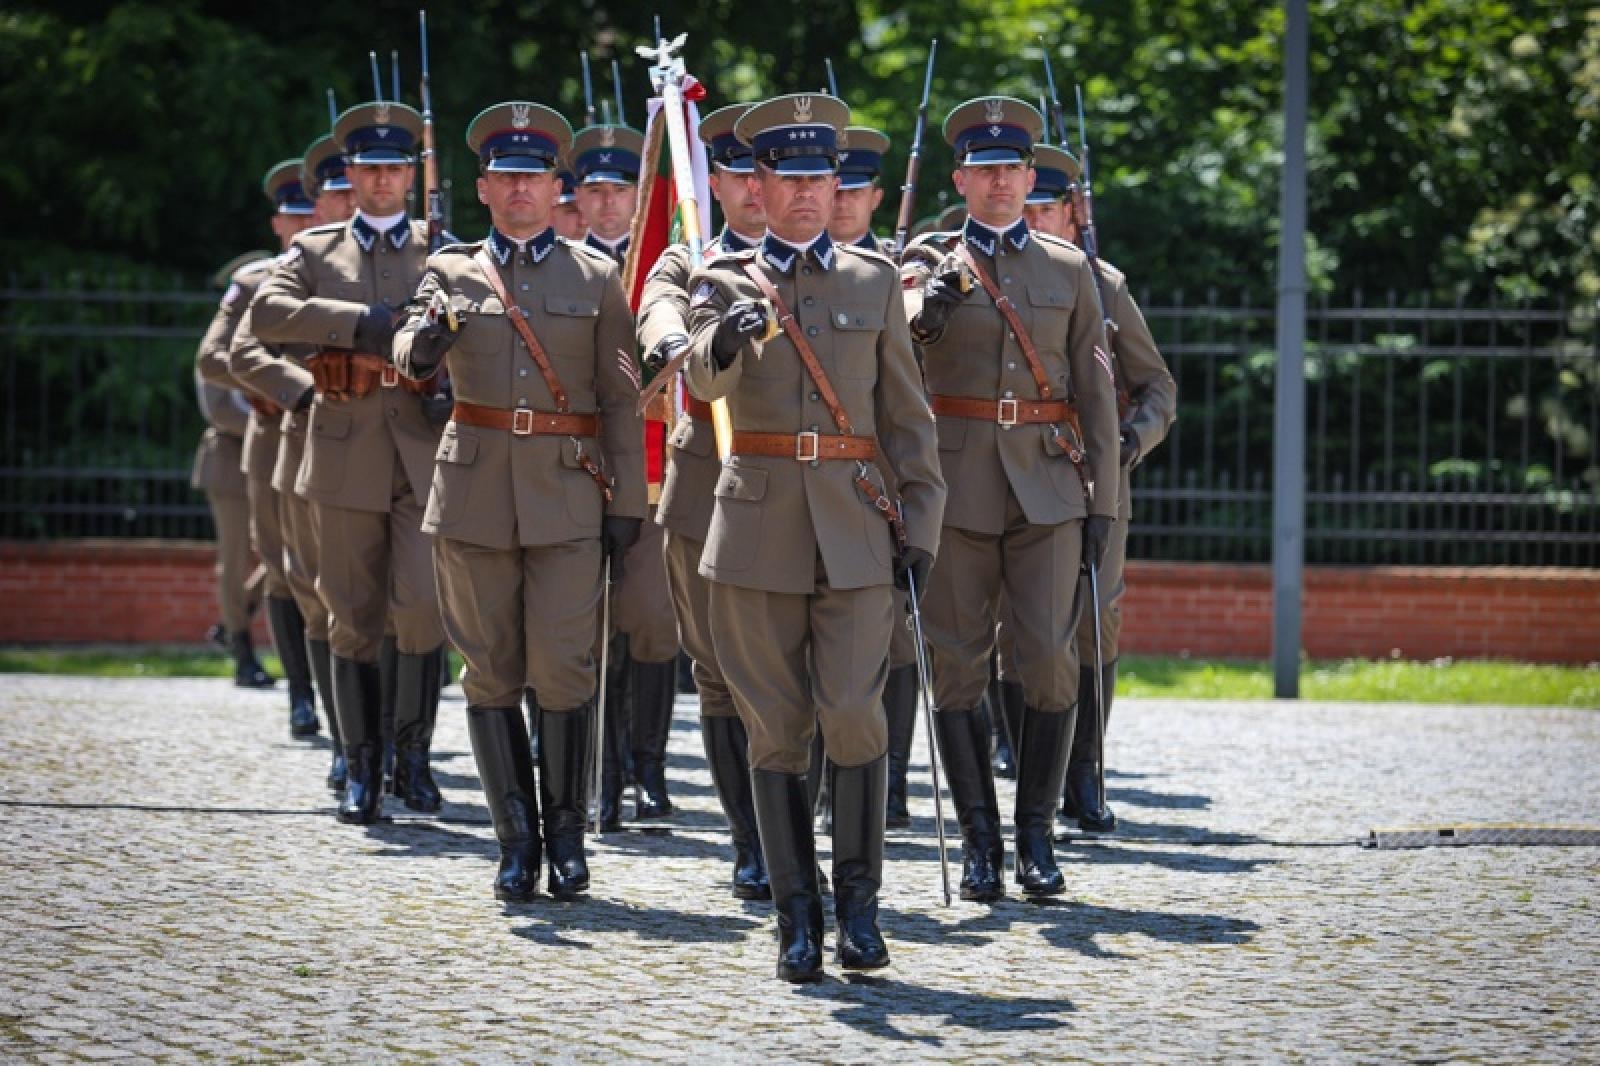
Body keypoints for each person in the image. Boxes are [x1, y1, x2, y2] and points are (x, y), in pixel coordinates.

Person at [684, 93, 945, 981]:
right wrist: (729, 334)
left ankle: (862, 911)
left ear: (836, 186)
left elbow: (906, 416)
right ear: (756, 185)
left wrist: (925, 517)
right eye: (785, 178)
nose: (803, 194)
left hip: (857, 527)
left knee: (853, 716)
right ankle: (798, 917)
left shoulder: (874, 282)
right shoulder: (719, 277)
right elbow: (699, 383)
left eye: (817, 178)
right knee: (777, 728)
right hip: (756, 529)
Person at [392, 100, 646, 901]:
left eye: (535, 177)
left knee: (566, 671)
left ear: (556, 186)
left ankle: (567, 839)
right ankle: (514, 841)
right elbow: (406, 350)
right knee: (490, 671)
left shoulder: (596, 276)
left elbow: (620, 398)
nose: (521, 191)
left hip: (569, 495)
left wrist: (627, 501)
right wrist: (425, 341)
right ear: (484, 188)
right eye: (506, 177)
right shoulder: (451, 270)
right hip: (473, 495)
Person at [900, 97, 1118, 901]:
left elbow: (1098, 395)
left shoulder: (1069, 272)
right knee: (956, 666)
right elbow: (902, 345)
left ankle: (1037, 837)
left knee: (1051, 662)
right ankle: (980, 840)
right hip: (956, 490)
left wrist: (1105, 504)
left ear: (1032, 177)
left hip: (1049, 488)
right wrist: (936, 303)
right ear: (959, 179)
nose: (998, 182)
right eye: (983, 169)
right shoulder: (926, 263)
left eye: (1012, 169)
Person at [248, 99, 448, 824]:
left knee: (423, 608)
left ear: (412, 174)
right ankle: (361, 765)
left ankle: (412, 757)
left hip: (426, 451)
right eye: (371, 168)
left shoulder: (445, 247)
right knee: (352, 615)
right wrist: (355, 323)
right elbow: (266, 318)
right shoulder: (315, 250)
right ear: (353, 174)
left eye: (397, 167)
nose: (384, 179)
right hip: (343, 451)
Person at [634, 101, 771, 898]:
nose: (754, 189)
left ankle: (795, 821)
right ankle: (748, 840)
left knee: (796, 673)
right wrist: (676, 340)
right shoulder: (688, 263)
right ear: (713, 181)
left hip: (800, 491)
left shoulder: (832, 265)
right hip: (703, 489)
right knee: (716, 672)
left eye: (768, 174)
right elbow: (659, 312)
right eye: (737, 174)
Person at [1024, 143, 1177, 833]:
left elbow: (1157, 388)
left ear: (1069, 213)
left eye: (1045, 209)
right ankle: (1028, 764)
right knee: (1017, 629)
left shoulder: (1104, 284)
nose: (1032, 218)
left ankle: (1084, 773)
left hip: (1094, 476)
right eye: (1024, 206)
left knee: (1095, 618)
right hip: (1014, 475)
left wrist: (1128, 441)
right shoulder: (972, 276)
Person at [196, 161, 320, 731]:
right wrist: (275, 401)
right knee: (251, 558)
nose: (303, 221)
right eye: (293, 213)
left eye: (310, 211)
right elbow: (216, 385)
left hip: (322, 441)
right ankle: (243, 647)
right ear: (278, 222)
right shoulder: (253, 283)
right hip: (245, 446)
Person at [824, 123, 919, 828]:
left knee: (890, 641)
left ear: (876, 197)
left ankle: (888, 780)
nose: (843, 202)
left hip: (876, 485)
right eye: (836, 188)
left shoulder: (897, 274)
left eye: (855, 189)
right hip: (812, 483)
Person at [191, 250, 275, 690]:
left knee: (283, 555)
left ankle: (231, 618)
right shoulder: (218, 343)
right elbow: (219, 409)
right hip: (228, 460)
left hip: (273, 457)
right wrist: (273, 422)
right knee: (236, 557)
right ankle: (242, 649)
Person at [571, 123, 644, 266]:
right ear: (579, 197)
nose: (608, 200)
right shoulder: (565, 264)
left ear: (638, 195)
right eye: (595, 190)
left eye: (620, 189)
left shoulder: (659, 261)